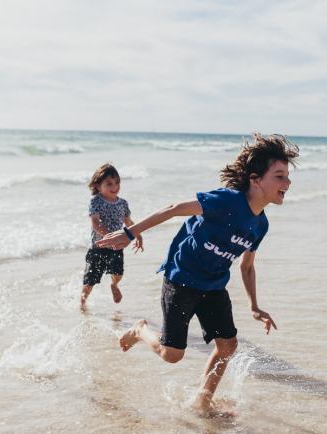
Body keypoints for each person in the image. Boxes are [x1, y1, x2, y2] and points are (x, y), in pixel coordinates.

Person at [96, 133, 299, 415]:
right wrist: (130, 233)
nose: (287, 183)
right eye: (279, 176)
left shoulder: (260, 225)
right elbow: (174, 209)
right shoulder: (226, 201)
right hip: (181, 279)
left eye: (287, 177)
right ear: (255, 179)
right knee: (172, 355)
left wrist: (254, 306)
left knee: (228, 347)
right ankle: (140, 330)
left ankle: (202, 401)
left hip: (214, 286)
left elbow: (247, 266)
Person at [81, 163, 143, 310]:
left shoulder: (122, 203)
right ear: (98, 186)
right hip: (98, 246)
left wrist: (138, 235)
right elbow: (95, 223)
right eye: (109, 183)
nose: (114, 186)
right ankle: (82, 303)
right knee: (91, 279)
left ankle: (114, 284)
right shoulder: (95, 201)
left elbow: (128, 222)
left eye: (117, 182)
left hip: (116, 247)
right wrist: (110, 236)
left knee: (118, 273)